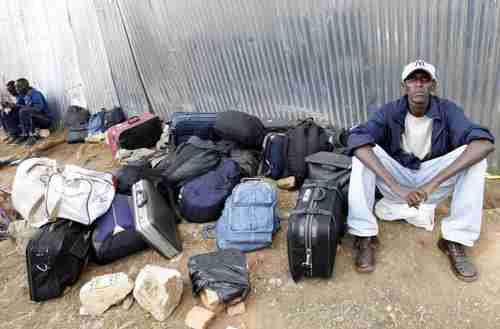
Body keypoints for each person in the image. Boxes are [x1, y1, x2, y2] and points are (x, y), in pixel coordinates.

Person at [346, 60, 495, 282]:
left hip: (431, 182)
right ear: (404, 85)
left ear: (433, 86)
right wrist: (397, 186)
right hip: (398, 181)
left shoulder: (447, 110)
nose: (419, 84)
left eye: (425, 79)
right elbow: (356, 137)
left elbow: (485, 144)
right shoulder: (390, 111)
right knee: (362, 153)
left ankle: (454, 239)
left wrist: (431, 185)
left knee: (476, 157)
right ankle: (365, 236)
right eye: (413, 79)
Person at [15, 78, 52, 146]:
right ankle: (23, 134)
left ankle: (32, 136)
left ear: (23, 87)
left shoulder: (35, 94)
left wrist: (24, 108)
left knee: (24, 111)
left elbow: (38, 108)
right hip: (36, 118)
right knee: (13, 111)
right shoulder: (24, 95)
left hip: (45, 119)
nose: (16, 89)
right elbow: (19, 105)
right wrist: (13, 106)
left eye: (17, 87)